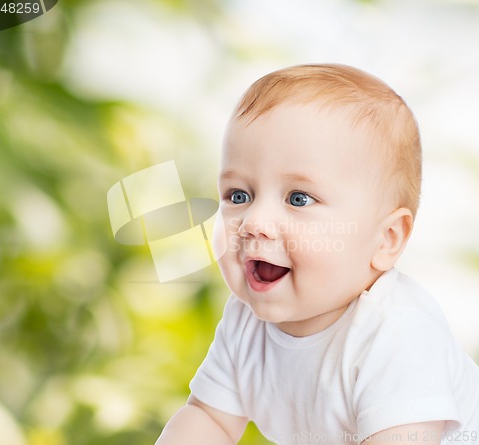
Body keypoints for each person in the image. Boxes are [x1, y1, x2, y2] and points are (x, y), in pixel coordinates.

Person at [155, 64, 479, 445]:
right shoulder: (245, 322)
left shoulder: (398, 331)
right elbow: (209, 419)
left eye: (298, 199)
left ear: (386, 239)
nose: (254, 222)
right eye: (239, 195)